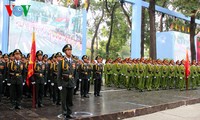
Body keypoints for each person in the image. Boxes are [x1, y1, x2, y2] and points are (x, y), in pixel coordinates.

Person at [57, 44, 76, 119]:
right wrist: (59, 84)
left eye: (70, 50)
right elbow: (59, 74)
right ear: (65, 52)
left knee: (70, 99)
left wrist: (74, 82)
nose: (69, 51)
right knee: (64, 99)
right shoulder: (61, 61)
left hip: (71, 82)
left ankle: (69, 113)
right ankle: (64, 113)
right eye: (68, 50)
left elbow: (75, 73)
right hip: (64, 82)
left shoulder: (73, 61)